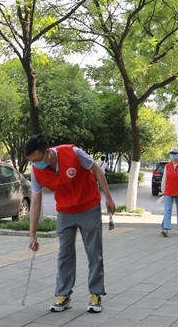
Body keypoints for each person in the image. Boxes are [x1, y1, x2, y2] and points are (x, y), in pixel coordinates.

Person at [25, 134, 116, 314]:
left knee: (93, 251)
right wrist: (32, 235)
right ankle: (63, 295)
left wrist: (108, 197)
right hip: (65, 211)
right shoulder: (36, 171)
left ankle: (96, 294)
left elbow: (96, 169)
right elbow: (35, 202)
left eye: (37, 159)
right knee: (64, 253)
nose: (35, 164)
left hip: (88, 206)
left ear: (48, 153)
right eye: (31, 161)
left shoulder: (73, 153)